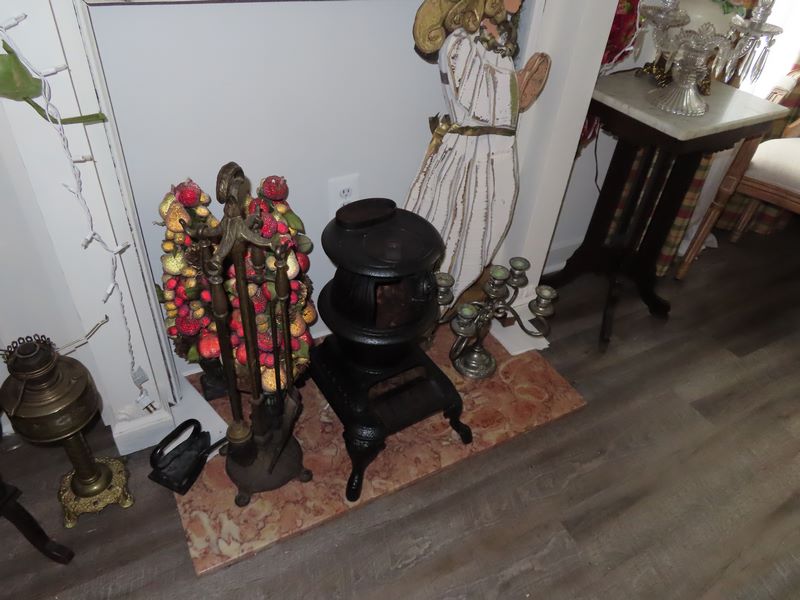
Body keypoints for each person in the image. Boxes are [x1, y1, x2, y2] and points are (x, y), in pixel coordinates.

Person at [406, 0, 550, 306]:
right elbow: (479, 104)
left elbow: (497, 102)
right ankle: (435, 303)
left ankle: (447, 300)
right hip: (470, 155)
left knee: (485, 230)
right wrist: (517, 87)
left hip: (494, 151)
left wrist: (518, 88)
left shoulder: (495, 38)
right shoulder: (459, 43)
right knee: (455, 227)